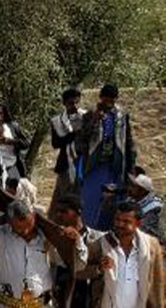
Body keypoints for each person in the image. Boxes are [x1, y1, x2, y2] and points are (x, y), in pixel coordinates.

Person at [76, 84, 137, 231]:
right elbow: (81, 139)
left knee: (113, 203)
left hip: (115, 167)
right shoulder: (89, 115)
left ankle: (110, 234)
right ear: (101, 97)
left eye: (112, 100)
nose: (109, 103)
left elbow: (128, 143)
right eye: (106, 99)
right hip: (94, 167)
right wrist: (95, 120)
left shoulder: (122, 116)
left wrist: (131, 169)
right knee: (90, 203)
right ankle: (88, 233)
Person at [48, 87, 86, 199]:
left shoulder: (86, 117)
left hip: (85, 161)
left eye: (77, 103)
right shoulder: (57, 121)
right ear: (64, 104)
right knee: (66, 195)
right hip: (66, 162)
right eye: (71, 103)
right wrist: (73, 134)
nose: (75, 106)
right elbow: (56, 143)